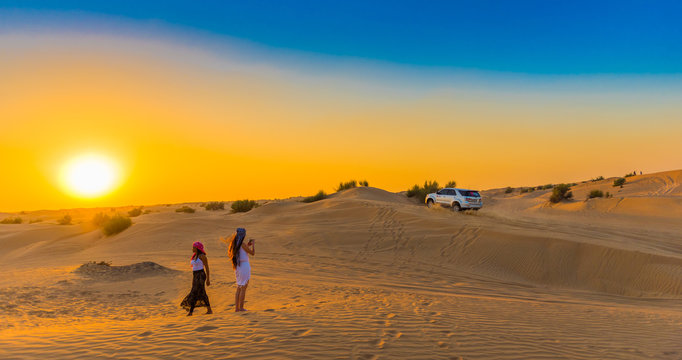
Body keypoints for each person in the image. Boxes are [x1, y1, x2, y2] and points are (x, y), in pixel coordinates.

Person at [222, 228, 255, 312]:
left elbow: (243, 251)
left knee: (239, 287)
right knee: (243, 287)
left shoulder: (234, 244)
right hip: (244, 266)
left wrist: (247, 245)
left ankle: (237, 308)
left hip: (238, 267)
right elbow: (252, 253)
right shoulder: (242, 244)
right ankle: (241, 308)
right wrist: (253, 245)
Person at [180, 241, 213, 316]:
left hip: (201, 275)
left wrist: (208, 279)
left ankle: (191, 312)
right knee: (199, 292)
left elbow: (207, 267)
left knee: (196, 292)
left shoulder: (202, 256)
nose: (192, 248)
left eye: (193, 247)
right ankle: (209, 310)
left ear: (197, 248)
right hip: (195, 275)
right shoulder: (194, 256)